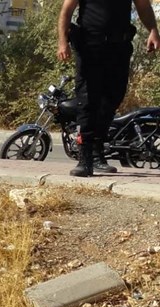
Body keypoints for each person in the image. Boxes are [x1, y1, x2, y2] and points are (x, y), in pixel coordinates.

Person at [58, 0, 159, 177]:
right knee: (88, 100)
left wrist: (153, 30)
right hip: (90, 47)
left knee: (113, 97)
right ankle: (86, 158)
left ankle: (98, 153)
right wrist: (62, 42)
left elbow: (143, 7)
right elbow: (66, 10)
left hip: (119, 47)